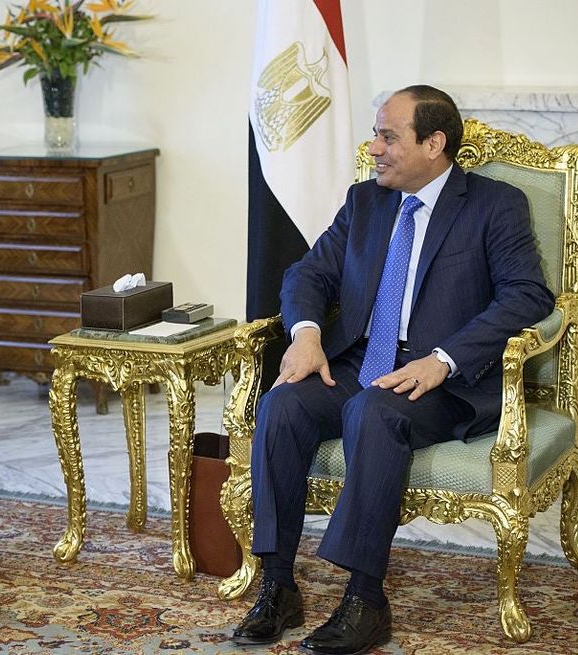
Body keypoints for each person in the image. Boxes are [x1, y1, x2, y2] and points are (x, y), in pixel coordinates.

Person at [231, 85, 555, 654]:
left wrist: (444, 358)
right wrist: (306, 335)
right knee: (282, 402)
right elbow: (306, 275)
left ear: (434, 143)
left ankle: (364, 599)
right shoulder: (365, 203)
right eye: (375, 134)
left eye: (387, 136)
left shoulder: (493, 204)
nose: (373, 147)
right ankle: (278, 585)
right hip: (360, 361)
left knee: (373, 411)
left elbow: (527, 295)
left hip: (444, 377)